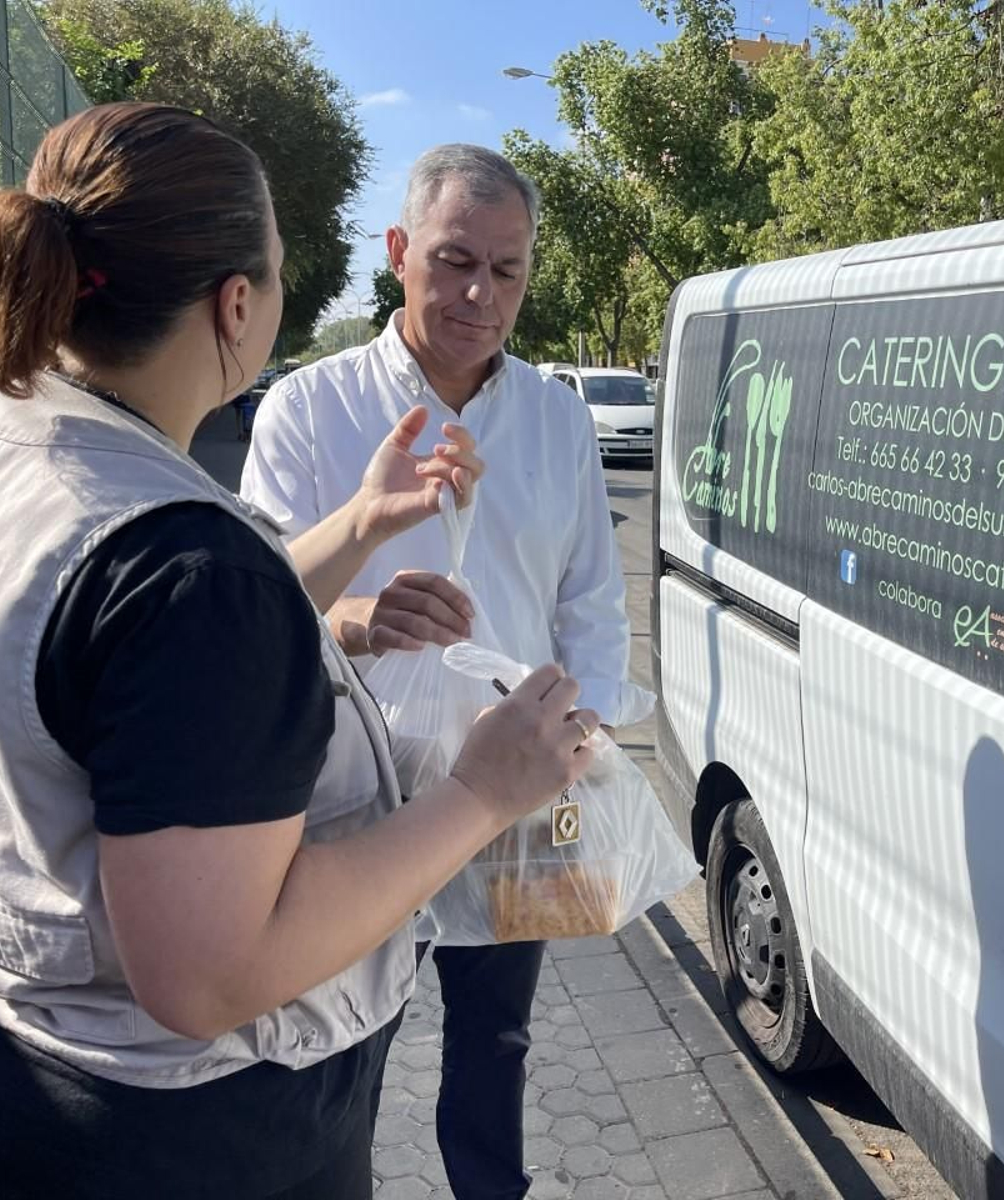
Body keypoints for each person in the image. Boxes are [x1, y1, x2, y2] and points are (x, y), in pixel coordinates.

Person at [0, 103, 600, 1200]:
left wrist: (359, 527)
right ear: (238, 304)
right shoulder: (191, 566)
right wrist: (479, 794)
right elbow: (211, 974)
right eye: (276, 271)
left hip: (3, 1047)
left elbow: (135, 649)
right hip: (178, 1124)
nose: (481, 293)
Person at [241, 143, 632, 1199]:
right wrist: (363, 613)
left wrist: (582, 738)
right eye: (455, 259)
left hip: (513, 802)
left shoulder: (555, 418)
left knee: (496, 1041)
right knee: (338, 1040)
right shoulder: (308, 409)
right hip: (358, 808)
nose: (478, 293)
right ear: (399, 251)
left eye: (506, 271)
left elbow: (591, 598)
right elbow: (252, 606)